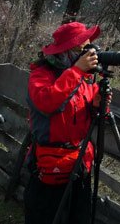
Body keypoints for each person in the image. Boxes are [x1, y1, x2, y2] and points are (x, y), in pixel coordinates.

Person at [24, 22, 101, 224]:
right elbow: (46, 103)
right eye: (83, 48)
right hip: (50, 167)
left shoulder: (85, 79)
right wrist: (75, 71)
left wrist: (100, 104)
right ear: (68, 51)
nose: (89, 53)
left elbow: (90, 115)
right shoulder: (42, 74)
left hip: (79, 164)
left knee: (79, 217)